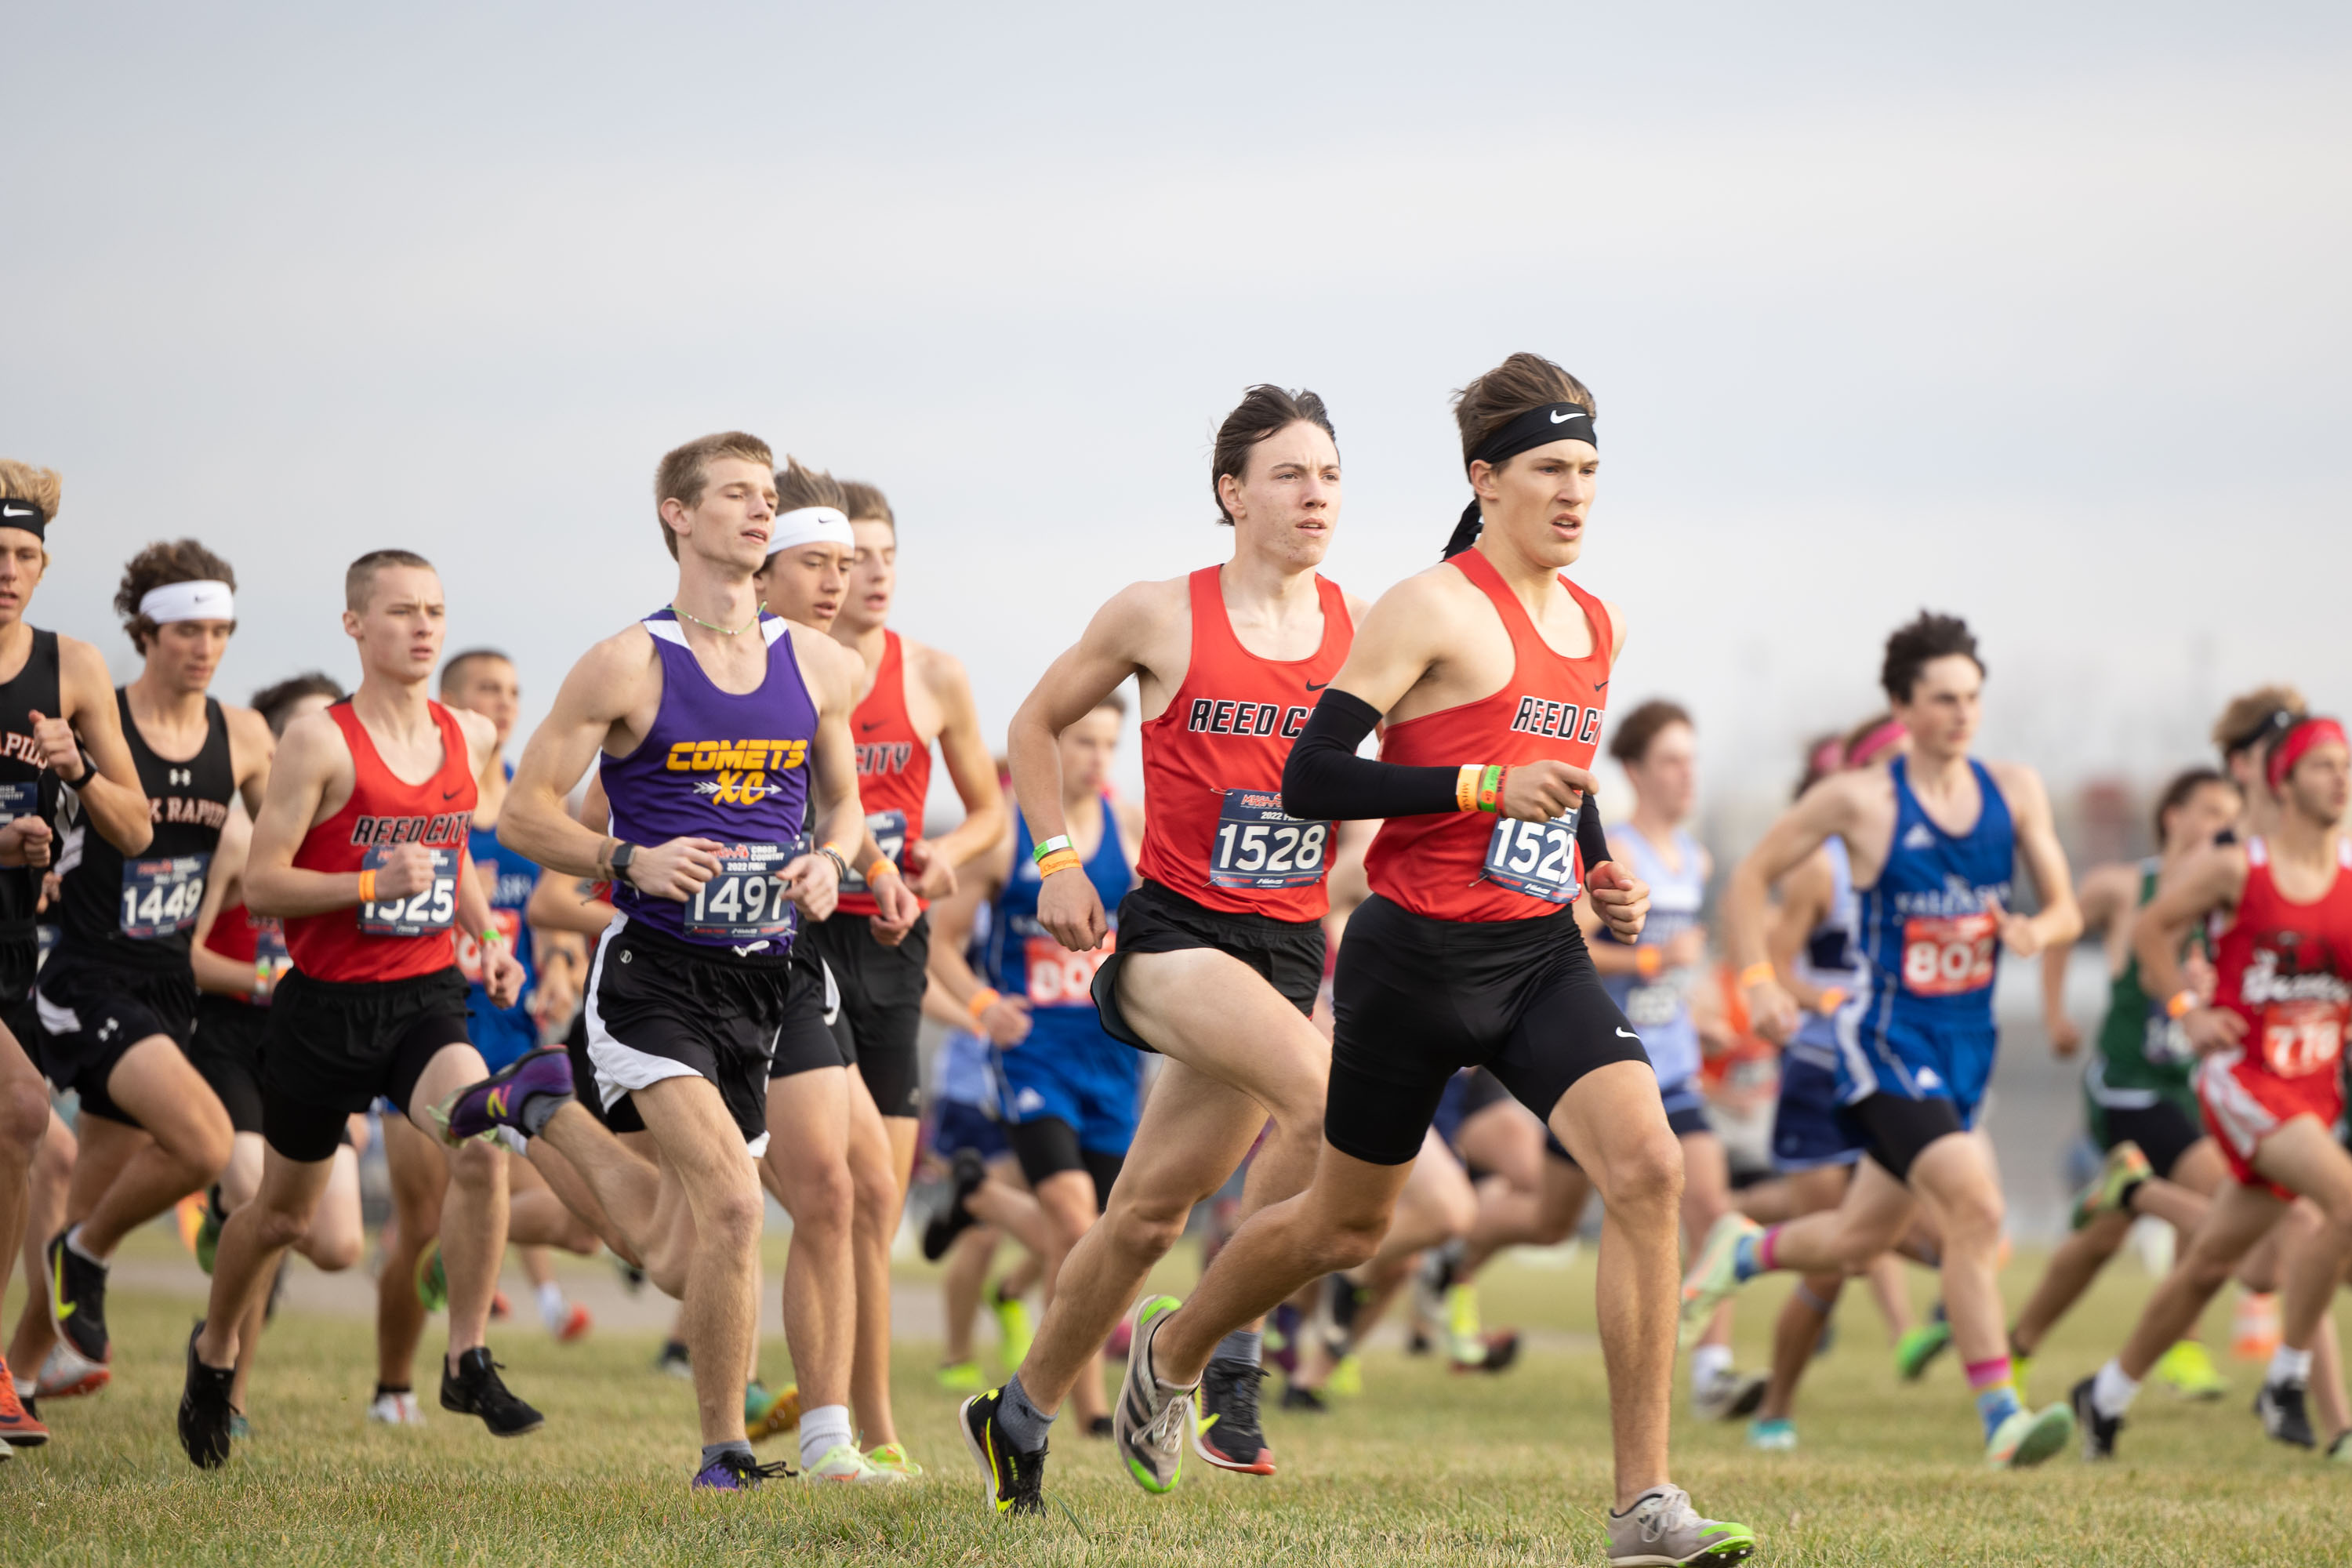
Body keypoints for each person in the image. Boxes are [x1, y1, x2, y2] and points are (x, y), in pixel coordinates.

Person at [1131, 354, 1747, 1563]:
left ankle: (1642, 1506)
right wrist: (1477, 786)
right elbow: (1315, 776)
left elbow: (1555, 773)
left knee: (1650, 1171)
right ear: (1487, 479)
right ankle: (1173, 1350)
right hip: (1411, 963)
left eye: (1588, 472)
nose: (1575, 495)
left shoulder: (1595, 619)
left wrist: (1601, 868)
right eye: (1550, 472)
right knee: (1344, 1229)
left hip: (1534, 961)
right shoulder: (1428, 607)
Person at [452, 432, 914, 1490]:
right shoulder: (627, 662)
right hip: (659, 978)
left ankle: (830, 1440)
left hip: (781, 970)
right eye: (737, 497)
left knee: (807, 1202)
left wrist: (834, 863)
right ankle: (722, 1457)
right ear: (678, 514)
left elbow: (844, 805)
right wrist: (628, 856)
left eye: (767, 498)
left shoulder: (820, 664)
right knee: (734, 1213)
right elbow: (521, 814)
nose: (761, 513)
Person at [958, 385, 1364, 1510]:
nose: (1315, 493)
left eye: (1329, 474)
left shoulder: (1363, 629)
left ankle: (1019, 1415)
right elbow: (1034, 724)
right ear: (1233, 494)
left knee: (1143, 1216)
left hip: (1286, 949)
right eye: (1289, 474)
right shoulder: (1158, 615)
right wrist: (1055, 860)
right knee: (1326, 1105)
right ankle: (1213, 1358)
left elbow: (1391, 789)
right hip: (1173, 940)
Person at [1686, 610, 2082, 1469]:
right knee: (1976, 1209)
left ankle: (1744, 1246)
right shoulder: (1861, 800)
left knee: (1860, 1240)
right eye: (1943, 699)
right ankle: (2002, 1417)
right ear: (1902, 706)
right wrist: (1757, 983)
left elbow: (2068, 908)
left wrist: (2036, 929)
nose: (1962, 714)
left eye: (1973, 697)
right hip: (1887, 1039)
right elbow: (1751, 877)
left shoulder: (2015, 790)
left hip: (1968, 1045)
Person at [176, 549, 532, 1468]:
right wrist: (370, 878)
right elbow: (263, 880)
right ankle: (214, 1351)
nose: (423, 627)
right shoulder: (320, 741)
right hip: (324, 1008)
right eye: (403, 610)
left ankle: (464, 1356)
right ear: (355, 626)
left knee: (483, 1138)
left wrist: (489, 942)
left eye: (436, 610)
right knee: (284, 1217)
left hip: (424, 996)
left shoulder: (468, 735)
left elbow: (449, 856)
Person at [2074, 715, 2352, 1461]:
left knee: (2212, 1264)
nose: (2340, 778)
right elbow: (2152, 931)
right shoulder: (2241, 870)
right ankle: (2286, 1380)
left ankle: (2105, 1396)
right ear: (2282, 781)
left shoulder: (2351, 879)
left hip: (2315, 1089)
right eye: (2322, 765)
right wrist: (2185, 1010)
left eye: (2346, 764)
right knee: (2346, 1201)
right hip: (2245, 1082)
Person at [35, 542, 271, 1381]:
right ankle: (85, 1254)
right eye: (185, 630)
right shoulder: (105, 719)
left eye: (219, 629)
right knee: (205, 1143)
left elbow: (282, 846)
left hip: (172, 982)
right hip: (90, 973)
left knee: (95, 1186)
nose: (205, 646)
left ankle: (23, 1374)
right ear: (145, 632)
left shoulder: (242, 736)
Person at [930, 695, 1142, 1435]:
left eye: (1109, 745)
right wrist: (985, 1006)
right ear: (1050, 751)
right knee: (1076, 1222)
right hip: (1032, 1060)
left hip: (1111, 1062)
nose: (1095, 759)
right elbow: (936, 941)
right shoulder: (1006, 841)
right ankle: (1084, 1406)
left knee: (1101, 1237)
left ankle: (980, 1200)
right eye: (1082, 742)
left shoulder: (1131, 831)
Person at [2002, 768, 2244, 1395]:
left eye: (2231, 814)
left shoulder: (2228, 897)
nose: (2223, 825)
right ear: (2174, 815)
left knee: (2100, 1241)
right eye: (2212, 811)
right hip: (2126, 1087)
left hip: (2187, 1088)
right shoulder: (2123, 886)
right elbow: (2061, 929)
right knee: (2219, 1199)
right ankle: (2181, 1348)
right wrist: (2054, 1013)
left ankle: (2015, 1348)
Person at [0, 459, 151, 1450]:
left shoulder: (75, 669)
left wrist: (80, 765)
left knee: (41, 1145)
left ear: (44, 566)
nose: (5, 570)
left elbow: (135, 828)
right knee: (26, 1117)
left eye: (22, 555)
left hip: (17, 940)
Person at [183, 673, 365, 1432]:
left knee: (337, 1242)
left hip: (315, 1037)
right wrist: (266, 974)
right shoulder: (232, 836)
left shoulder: (349, 829)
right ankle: (227, 1389)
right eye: (299, 731)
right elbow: (183, 956)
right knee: (264, 1201)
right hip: (227, 1040)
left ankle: (228, 1246)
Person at [1742, 717, 1920, 1451]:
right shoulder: (1824, 868)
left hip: (1889, 1066)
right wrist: (1815, 1000)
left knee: (1947, 1211)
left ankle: (1993, 1396)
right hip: (1819, 1071)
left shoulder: (1926, 865)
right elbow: (1779, 958)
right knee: (1835, 1262)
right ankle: (1774, 1407)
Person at [1588, 699, 1763, 1421]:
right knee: (1542, 1216)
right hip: (1606, 1069)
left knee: (1712, 1209)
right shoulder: (1614, 851)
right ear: (1634, 770)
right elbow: (1573, 954)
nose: (1687, 775)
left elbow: (1677, 980)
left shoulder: (1698, 859)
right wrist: (1655, 956)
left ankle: (1713, 1372)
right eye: (1671, 760)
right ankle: (1453, 1267)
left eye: (1692, 759)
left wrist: (1701, 1020)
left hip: (1677, 1068)